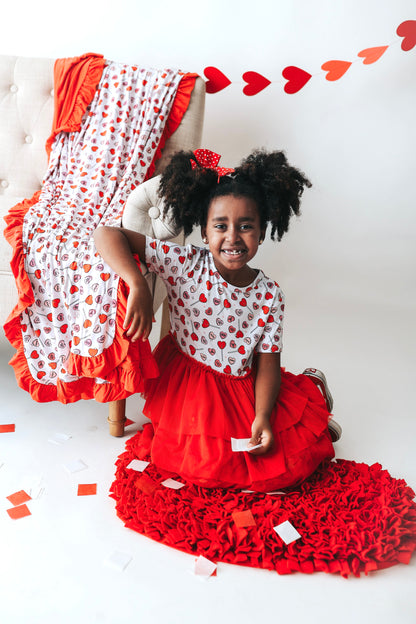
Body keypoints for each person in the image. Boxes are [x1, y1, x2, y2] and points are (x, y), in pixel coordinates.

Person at [94, 148, 341, 492]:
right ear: (205, 232)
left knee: (280, 464)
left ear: (262, 232)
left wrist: (262, 417)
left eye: (246, 226)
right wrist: (137, 282)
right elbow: (106, 233)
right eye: (221, 226)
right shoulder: (184, 262)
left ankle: (312, 393)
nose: (233, 237)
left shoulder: (270, 295)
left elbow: (267, 363)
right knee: (199, 469)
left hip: (241, 386)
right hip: (189, 386)